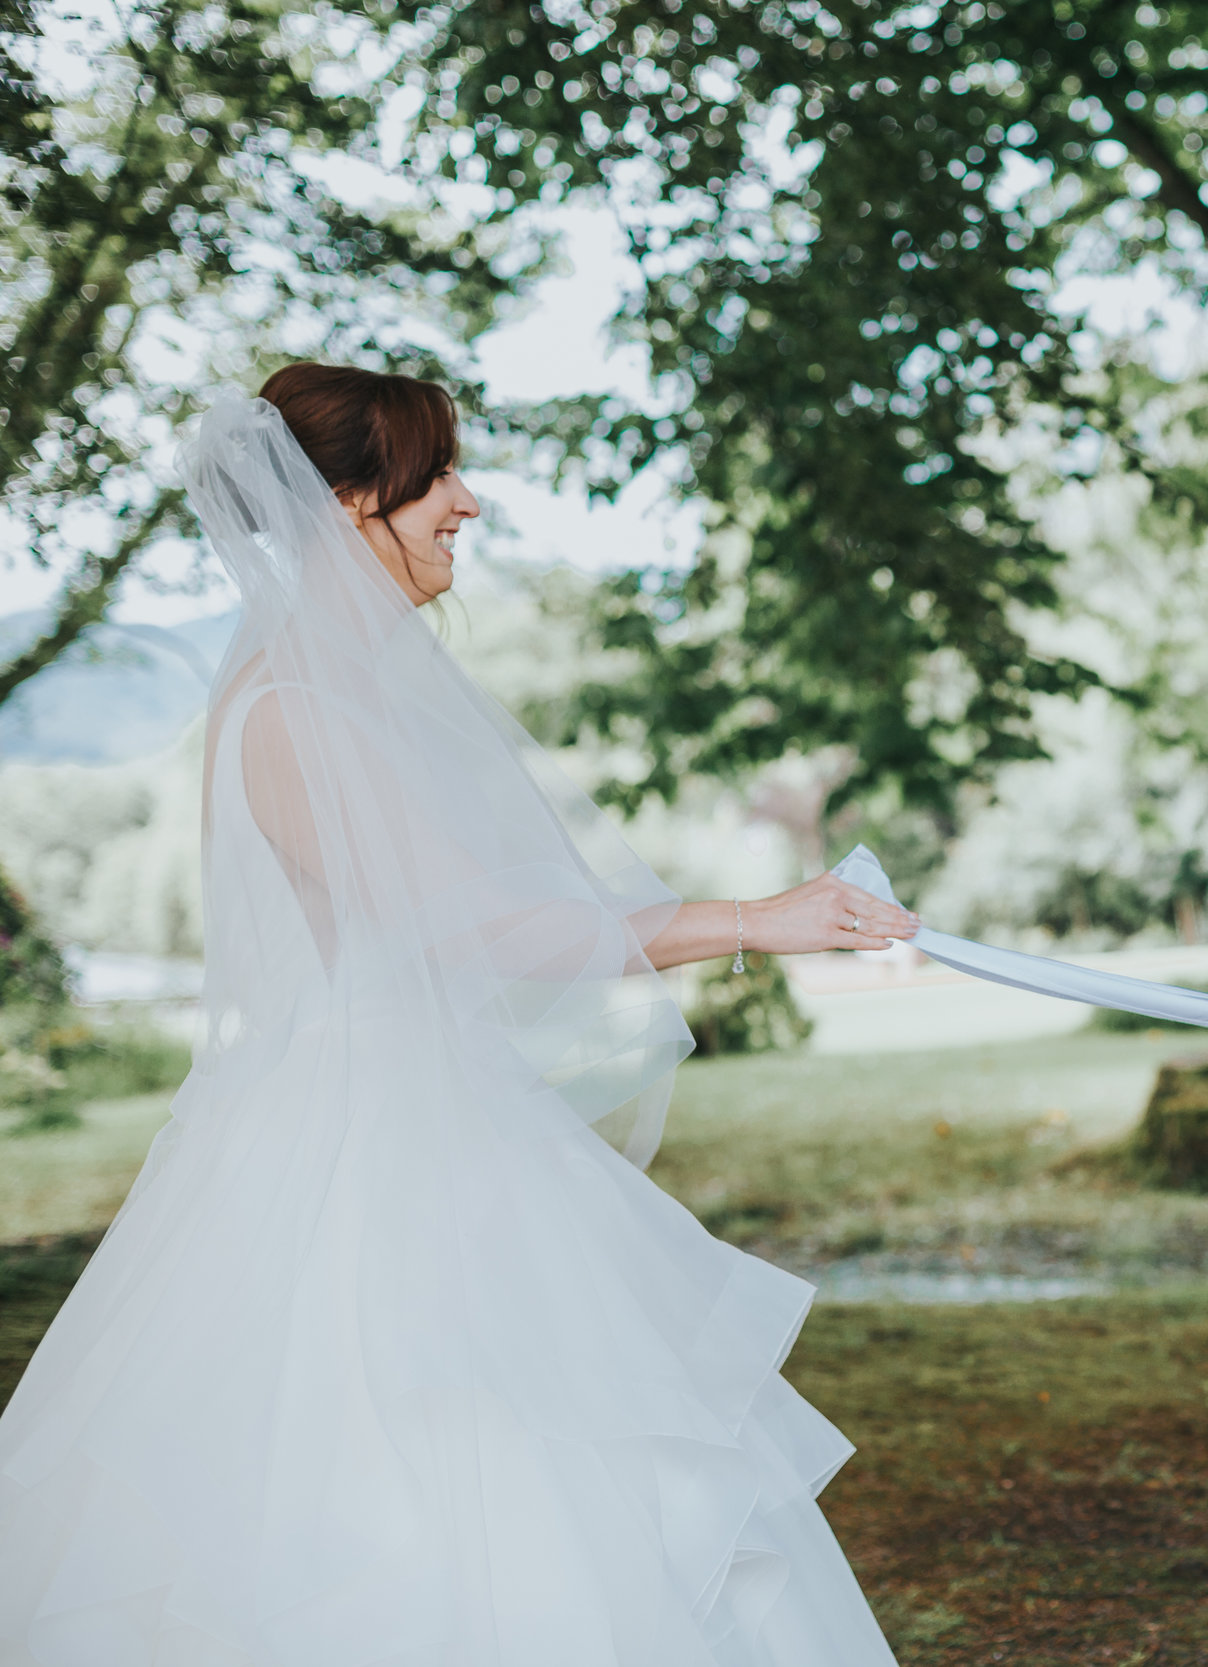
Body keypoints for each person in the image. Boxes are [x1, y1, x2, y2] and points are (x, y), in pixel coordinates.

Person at [0, 367, 920, 1663]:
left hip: (433, 1113)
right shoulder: (296, 713)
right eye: (435, 477)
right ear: (348, 505)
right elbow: (485, 933)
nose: (466, 504)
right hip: (366, 1154)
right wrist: (758, 917)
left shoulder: (337, 693)